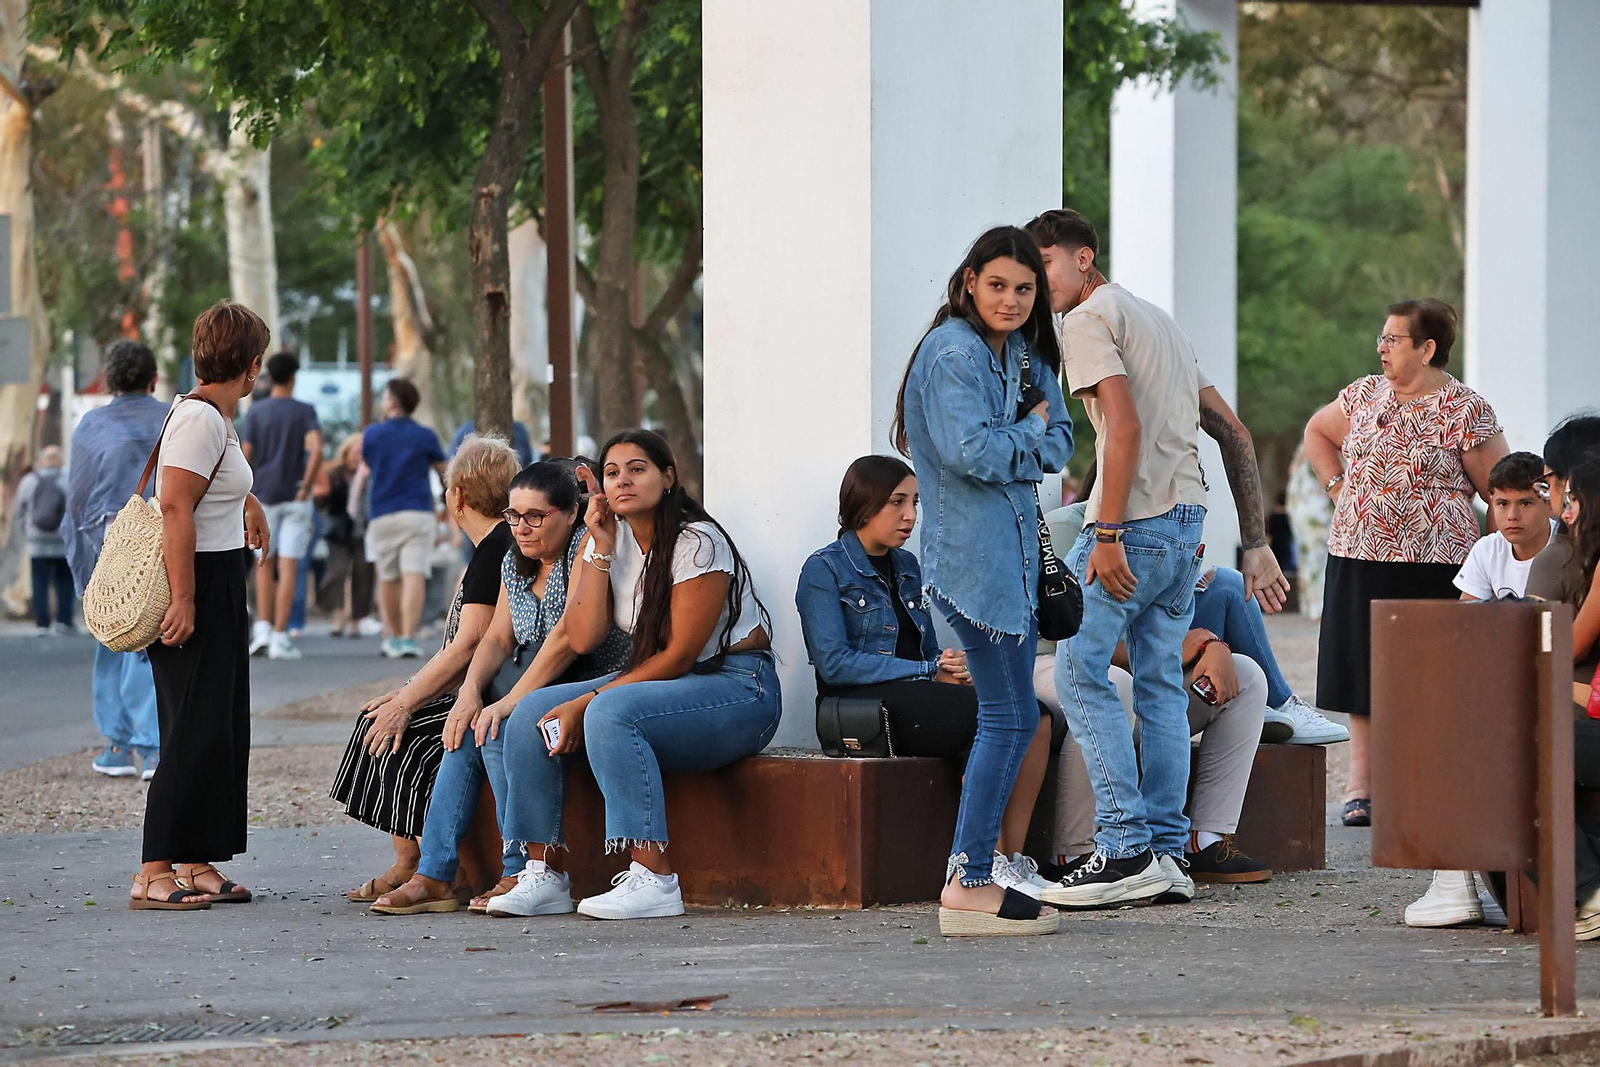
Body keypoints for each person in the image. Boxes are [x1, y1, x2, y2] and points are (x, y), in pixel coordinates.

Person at [1023, 208, 1284, 910]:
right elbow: (1233, 432)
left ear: (1083, 258)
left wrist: (1105, 532)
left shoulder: (1086, 320)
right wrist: (1253, 542)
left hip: (1132, 525)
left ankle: (1125, 846)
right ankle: (1168, 853)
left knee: (1078, 671)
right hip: (1185, 524)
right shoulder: (1159, 321)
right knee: (1162, 682)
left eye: (1042, 265)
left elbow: (1124, 427)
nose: (1033, 282)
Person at [482, 429, 781, 922]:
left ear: (668, 477)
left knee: (609, 712)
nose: (623, 481)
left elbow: (681, 656)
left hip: (737, 688)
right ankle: (544, 872)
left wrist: (586, 701)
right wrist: (599, 546)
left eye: (637, 469)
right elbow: (582, 636)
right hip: (659, 681)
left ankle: (654, 878)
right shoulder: (608, 538)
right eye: (612, 472)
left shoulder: (698, 542)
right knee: (529, 712)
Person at [890, 226, 1072, 937]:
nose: (1011, 299)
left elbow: (1062, 440)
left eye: (1024, 288)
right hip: (973, 567)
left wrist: (1025, 438)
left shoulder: (1021, 353)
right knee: (1009, 718)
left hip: (1017, 564)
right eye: (997, 284)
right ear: (969, 281)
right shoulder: (952, 353)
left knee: (1016, 717)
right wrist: (1025, 438)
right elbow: (970, 452)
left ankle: (971, 874)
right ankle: (967, 880)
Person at [370, 460, 632, 916]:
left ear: (570, 513)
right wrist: (471, 692)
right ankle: (434, 874)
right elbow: (497, 637)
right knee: (465, 729)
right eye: (513, 516)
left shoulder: (582, 552)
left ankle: (519, 869)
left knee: (497, 729)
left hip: (588, 678)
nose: (522, 528)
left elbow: (567, 641)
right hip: (535, 679)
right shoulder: (515, 559)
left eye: (535, 516)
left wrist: (507, 702)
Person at [795, 455, 1056, 898]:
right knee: (991, 720)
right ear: (863, 503)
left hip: (912, 692)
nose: (910, 515)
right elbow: (835, 664)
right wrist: (927, 671)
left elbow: (927, 648)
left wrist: (951, 666)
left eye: (915, 501)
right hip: (859, 706)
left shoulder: (909, 566)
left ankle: (1012, 860)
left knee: (1038, 716)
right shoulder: (825, 570)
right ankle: (984, 862)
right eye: (897, 502)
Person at [1303, 298, 1508, 827]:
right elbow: (1318, 433)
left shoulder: (1465, 408)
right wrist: (1338, 487)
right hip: (1359, 553)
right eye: (1383, 337)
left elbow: (1498, 488)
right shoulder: (1364, 394)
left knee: (1431, 675)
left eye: (1394, 339)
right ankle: (1362, 786)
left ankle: (1428, 780)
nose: (1382, 348)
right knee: (1361, 668)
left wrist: (1505, 557)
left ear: (1427, 348)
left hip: (1437, 561)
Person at [329, 434, 520, 904]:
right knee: (382, 718)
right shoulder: (491, 548)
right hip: (482, 686)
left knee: (399, 732)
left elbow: (466, 646)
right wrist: (404, 693)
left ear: (456, 497)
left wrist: (405, 702)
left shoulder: (494, 549)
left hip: (490, 692)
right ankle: (408, 861)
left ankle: (418, 865)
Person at [131, 300, 271, 911]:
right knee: (188, 728)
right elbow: (174, 507)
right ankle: (154, 868)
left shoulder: (217, 416)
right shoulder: (198, 418)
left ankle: (195, 858)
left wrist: (251, 503)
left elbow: (214, 487)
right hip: (196, 580)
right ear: (252, 364)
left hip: (218, 573)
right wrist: (184, 597)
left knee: (217, 726)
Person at [1405, 451, 1554, 929]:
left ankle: (1457, 884)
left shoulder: (1565, 551)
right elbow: (1465, 634)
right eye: (1502, 502)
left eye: (1525, 504)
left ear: (1548, 501)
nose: (1512, 515)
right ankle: (1460, 882)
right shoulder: (1488, 550)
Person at [64, 341, 169, 779]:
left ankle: (119, 746)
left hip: (109, 541)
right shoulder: (172, 415)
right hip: (165, 535)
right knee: (153, 642)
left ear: (108, 379)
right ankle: (156, 747)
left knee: (111, 635)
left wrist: (81, 564)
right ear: (153, 378)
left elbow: (79, 497)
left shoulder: (93, 424)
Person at [242, 352, 323, 661]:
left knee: (264, 563)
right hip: (294, 495)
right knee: (289, 565)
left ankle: (262, 628)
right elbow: (316, 449)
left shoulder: (257, 412)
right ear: (293, 377)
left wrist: (245, 489)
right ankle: (280, 634)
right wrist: (307, 483)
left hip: (262, 495)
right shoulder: (304, 411)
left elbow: (245, 453)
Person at [360, 378, 447, 659]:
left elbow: (369, 464)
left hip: (383, 511)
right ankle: (409, 637)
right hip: (418, 510)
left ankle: (393, 636)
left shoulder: (373, 434)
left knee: (388, 576)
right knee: (414, 574)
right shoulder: (424, 435)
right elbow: (444, 469)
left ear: (392, 402)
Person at [316, 435, 376, 638]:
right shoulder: (334, 473)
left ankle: (356, 619)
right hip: (338, 531)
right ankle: (337, 613)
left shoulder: (370, 473)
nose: (358, 455)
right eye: (355, 451)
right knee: (337, 571)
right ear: (346, 451)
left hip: (362, 530)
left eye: (362, 451)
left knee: (363, 574)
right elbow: (323, 503)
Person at [14, 447, 75, 637]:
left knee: (39, 582)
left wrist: (27, 531)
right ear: (60, 461)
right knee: (64, 581)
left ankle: (42, 623)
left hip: (36, 542)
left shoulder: (29, 481)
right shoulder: (68, 480)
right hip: (62, 541)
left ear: (42, 461)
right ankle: (64, 621)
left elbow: (20, 510)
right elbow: (75, 508)